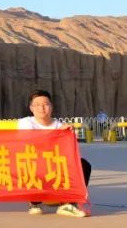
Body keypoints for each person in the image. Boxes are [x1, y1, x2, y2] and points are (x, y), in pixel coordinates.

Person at [18, 89, 92, 218]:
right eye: (37, 104)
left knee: (83, 164)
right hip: (36, 164)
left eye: (45, 104)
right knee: (30, 164)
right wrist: (57, 134)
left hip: (55, 165)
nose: (41, 108)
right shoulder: (26, 122)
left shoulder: (59, 125)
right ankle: (34, 202)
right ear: (31, 108)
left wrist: (69, 133)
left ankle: (68, 203)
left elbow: (69, 151)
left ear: (51, 107)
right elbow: (30, 142)